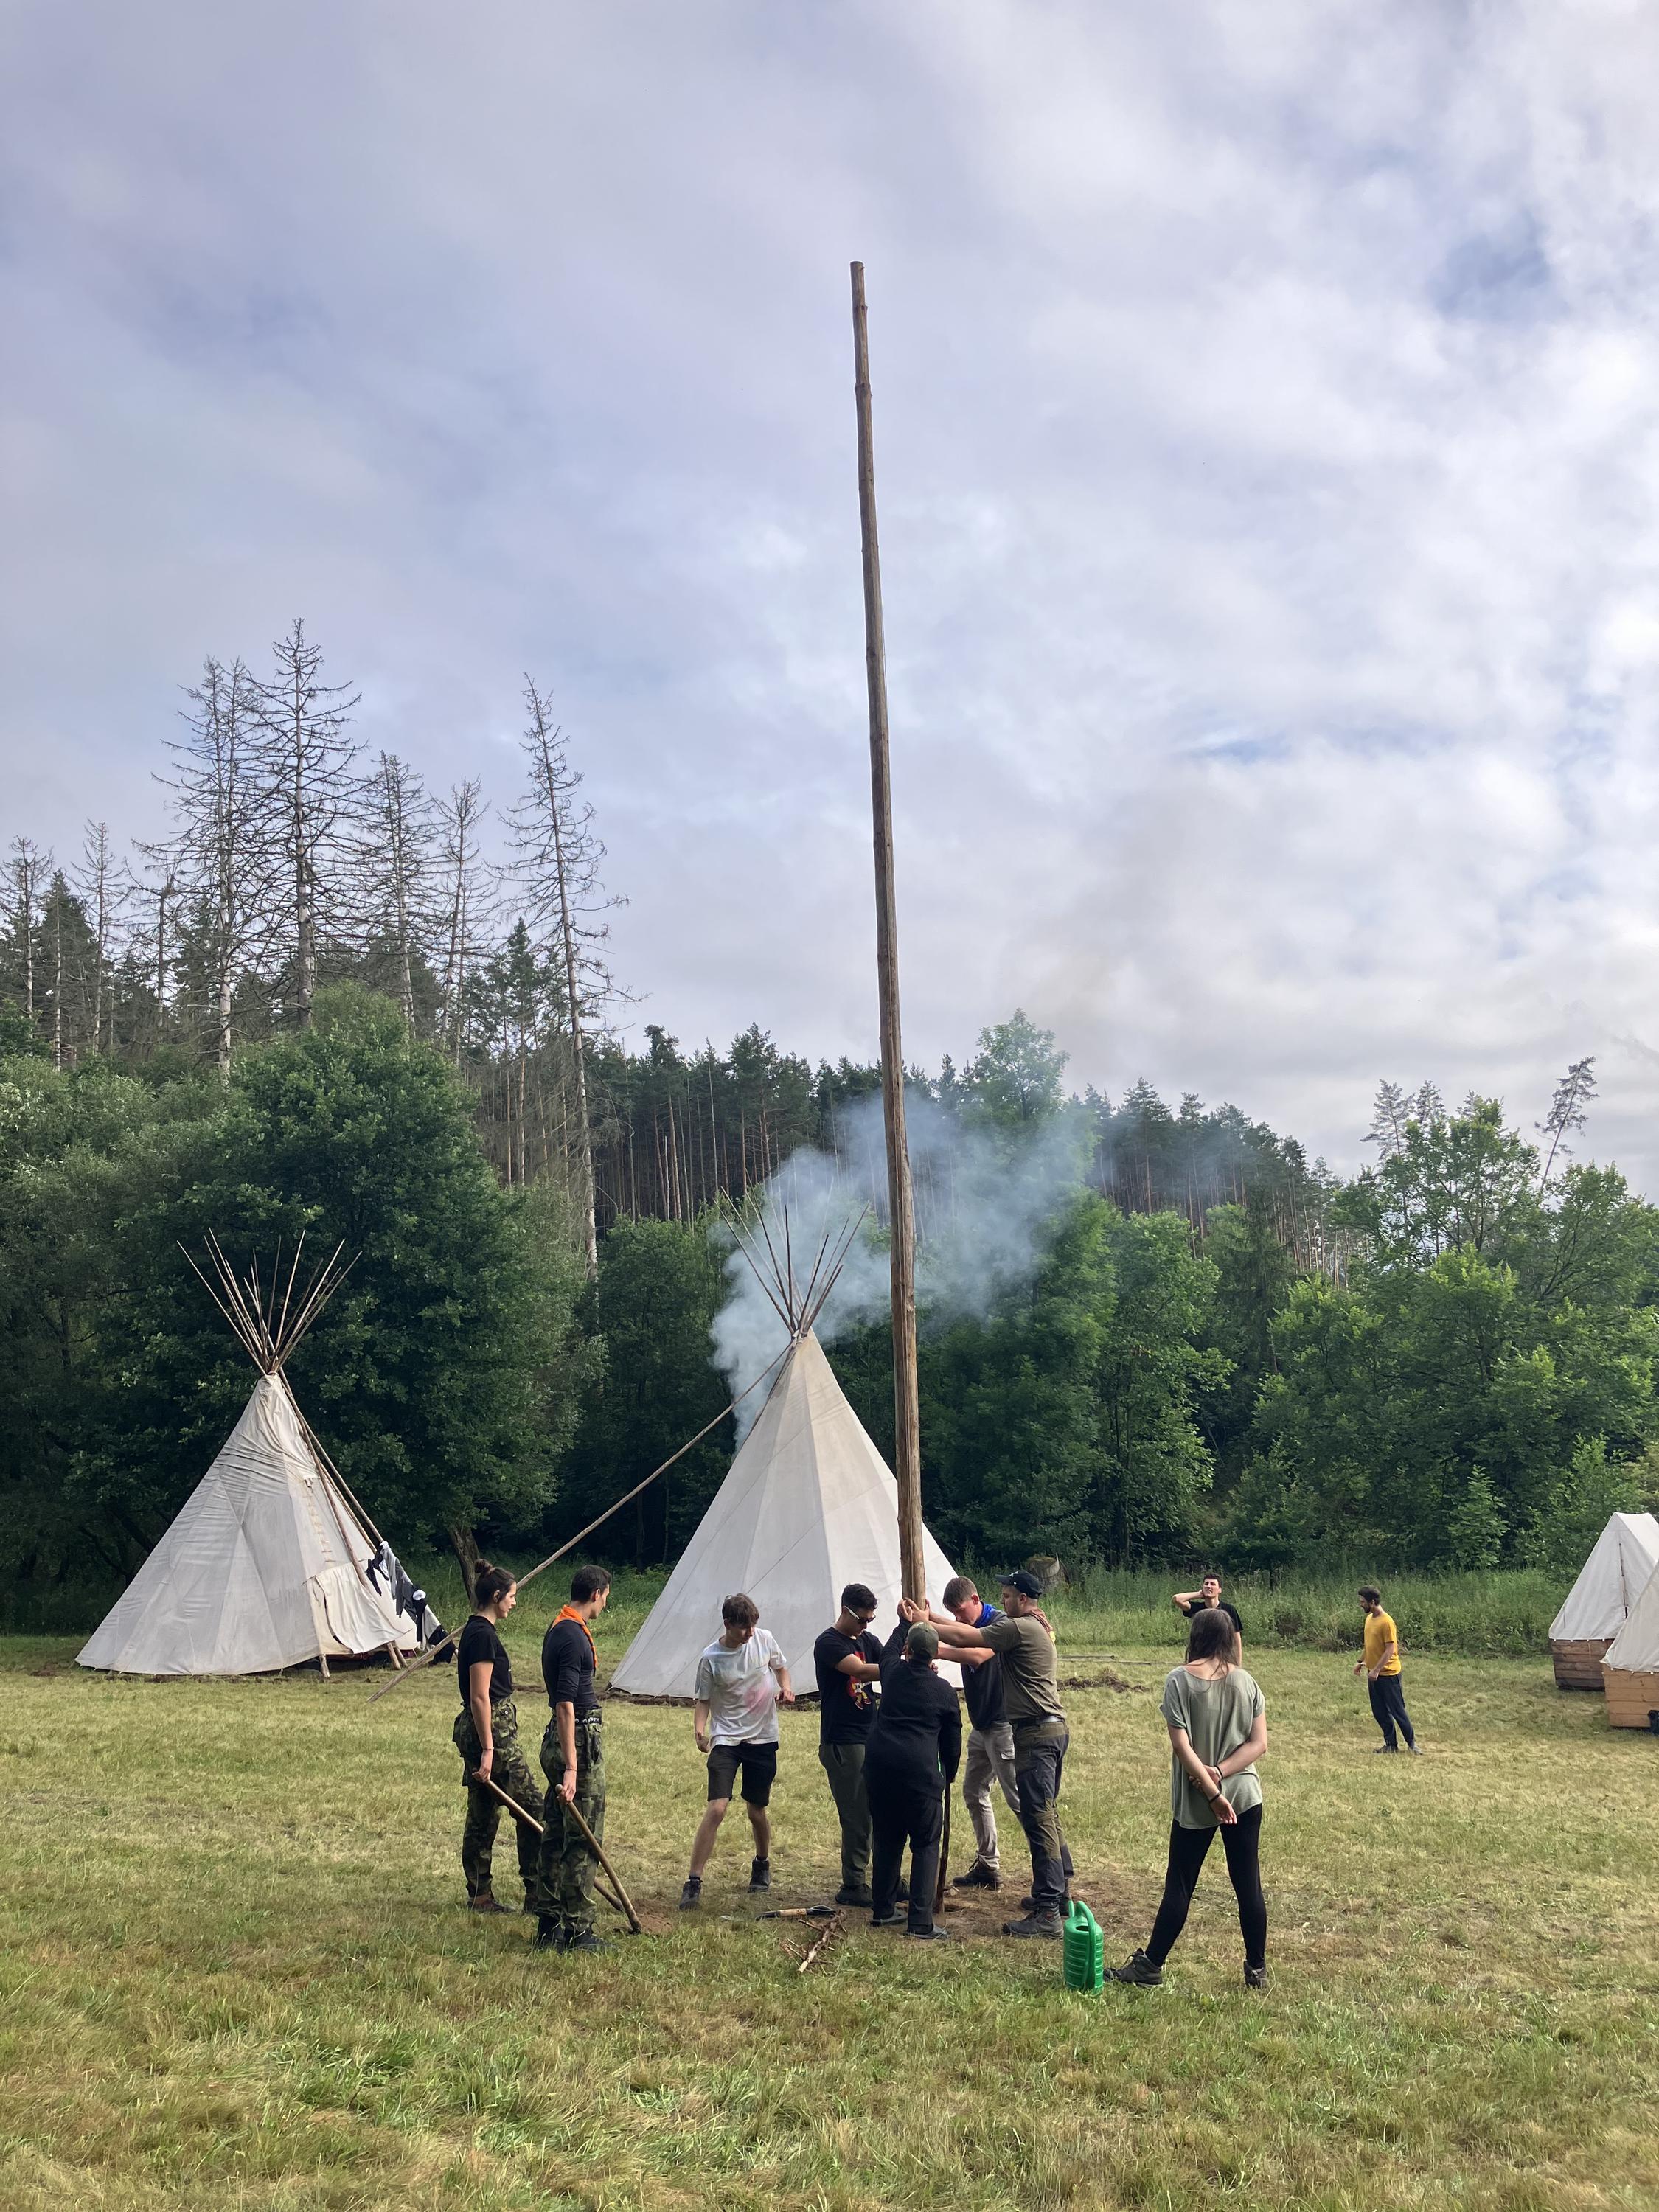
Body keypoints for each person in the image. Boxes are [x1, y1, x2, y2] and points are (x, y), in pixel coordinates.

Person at [1107, 1604, 1269, 1989]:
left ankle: (1149, 1968)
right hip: (1245, 1794)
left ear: (1195, 1636)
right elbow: (1258, 1744)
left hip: (1200, 1799)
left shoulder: (1178, 1680)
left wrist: (1212, 1789)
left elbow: (1182, 1747)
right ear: (1230, 1639)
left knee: (1180, 1883)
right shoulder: (1248, 1682)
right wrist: (1224, 1773)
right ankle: (1257, 1971)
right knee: (1248, 1884)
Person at [911, 1568, 1070, 1938]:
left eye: (1008, 1593)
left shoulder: (1018, 1626)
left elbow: (974, 1641)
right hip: (1039, 1728)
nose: (1004, 1599)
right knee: (1040, 1812)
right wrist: (931, 1618)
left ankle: (1049, 1910)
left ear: (1023, 1598)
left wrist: (926, 1627)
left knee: (1037, 1815)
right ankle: (1057, 1894)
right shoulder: (1030, 1625)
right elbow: (967, 1634)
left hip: (1034, 1731)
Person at [679, 1593, 795, 1910]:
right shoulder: (711, 1658)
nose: (750, 1633)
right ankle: (693, 1881)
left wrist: (785, 1687)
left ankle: (761, 1864)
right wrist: (699, 1730)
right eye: (744, 1628)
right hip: (726, 1738)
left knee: (756, 1810)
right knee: (717, 1808)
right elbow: (703, 1700)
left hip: (762, 1738)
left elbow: (781, 1668)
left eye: (753, 1626)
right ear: (728, 1624)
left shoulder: (764, 1639)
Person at [451, 1563, 544, 1915]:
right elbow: (480, 1696)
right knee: (533, 1808)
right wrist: (490, 1749)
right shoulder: (482, 1636)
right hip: (493, 1732)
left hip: (487, 1729)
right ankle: (536, 1893)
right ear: (496, 1597)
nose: (514, 1603)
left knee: (484, 1812)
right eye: (512, 1596)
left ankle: (480, 1895)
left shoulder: (478, 1632)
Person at [863, 1618, 962, 1940]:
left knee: (887, 1839)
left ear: (907, 1650)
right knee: (925, 1843)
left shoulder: (892, 1673)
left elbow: (887, 1652)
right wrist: (948, 1772)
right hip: (921, 1775)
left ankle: (883, 1909)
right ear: (935, 1656)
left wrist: (903, 1621)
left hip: (880, 1770)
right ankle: (920, 1922)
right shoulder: (944, 1691)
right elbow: (952, 1739)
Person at [534, 1564, 613, 1952]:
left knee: (555, 1832)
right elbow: (565, 1703)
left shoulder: (558, 1627)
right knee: (582, 1836)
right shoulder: (573, 1638)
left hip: (564, 1736)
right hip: (576, 1739)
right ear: (597, 1593)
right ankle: (578, 1930)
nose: (605, 1604)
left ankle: (548, 1922)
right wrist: (572, 1766)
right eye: (606, 1597)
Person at [927, 1576, 1020, 1893]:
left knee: (1020, 1799)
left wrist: (936, 1648)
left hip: (1003, 1723)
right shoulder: (974, 1623)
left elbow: (978, 1651)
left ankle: (1052, 1874)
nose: (957, 1619)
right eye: (951, 1614)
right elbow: (964, 1632)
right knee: (974, 1790)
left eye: (961, 1611)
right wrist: (928, 1617)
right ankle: (988, 1865)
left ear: (976, 1600)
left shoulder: (1002, 1624)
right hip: (982, 1725)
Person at [813, 1584, 888, 1907]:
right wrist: (899, 1669)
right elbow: (857, 1670)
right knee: (858, 1814)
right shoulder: (828, 1643)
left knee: (883, 1810)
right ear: (845, 1611)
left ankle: (887, 1876)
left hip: (872, 1736)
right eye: (862, 1620)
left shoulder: (868, 1641)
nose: (866, 1626)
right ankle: (854, 1883)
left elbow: (889, 1656)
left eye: (871, 1620)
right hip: (843, 1740)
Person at [1354, 1584, 1422, 1753]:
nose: (1360, 1604)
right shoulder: (1369, 1619)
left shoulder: (1387, 1622)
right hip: (1373, 1674)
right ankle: (1391, 1745)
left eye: (1363, 1602)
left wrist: (1377, 1670)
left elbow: (1391, 1648)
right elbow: (1370, 1645)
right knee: (1379, 1711)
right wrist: (1361, 1661)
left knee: (1397, 1710)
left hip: (1389, 1674)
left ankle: (1412, 1743)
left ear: (1372, 1602)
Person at [1172, 1571, 1244, 1654]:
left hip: (1222, 1654)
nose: (1209, 1586)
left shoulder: (1229, 1610)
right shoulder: (1197, 1608)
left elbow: (1236, 1638)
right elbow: (1177, 1599)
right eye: (1206, 1584)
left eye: (1213, 1584)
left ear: (1220, 1590)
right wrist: (1198, 1594)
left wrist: (1238, 1664)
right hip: (1200, 1653)